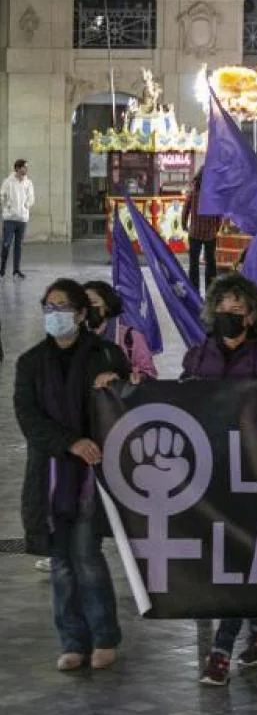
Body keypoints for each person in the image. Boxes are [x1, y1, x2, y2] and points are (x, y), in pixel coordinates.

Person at [16, 279, 132, 672]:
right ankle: (71, 639)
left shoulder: (107, 356)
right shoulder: (31, 363)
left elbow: (130, 403)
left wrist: (114, 386)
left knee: (85, 556)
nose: (55, 315)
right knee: (61, 561)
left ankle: (103, 635)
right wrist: (70, 443)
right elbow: (29, 419)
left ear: (82, 314)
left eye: (63, 307)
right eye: (48, 307)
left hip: (92, 477)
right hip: (50, 473)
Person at [187, 274, 257, 686]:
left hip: (253, 473)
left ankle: (220, 652)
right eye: (222, 310)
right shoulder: (197, 358)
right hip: (209, 473)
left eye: (237, 311)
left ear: (252, 317)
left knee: (238, 562)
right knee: (234, 560)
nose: (228, 317)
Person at [83, 281, 159, 379]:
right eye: (84, 304)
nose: (89, 308)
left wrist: (132, 376)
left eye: (93, 302)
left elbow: (149, 373)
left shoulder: (130, 337)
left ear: (108, 305)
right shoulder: (73, 336)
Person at [181, 169, 223, 293]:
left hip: (194, 233)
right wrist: (216, 228)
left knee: (193, 263)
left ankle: (194, 291)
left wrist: (184, 224)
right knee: (210, 263)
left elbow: (185, 210)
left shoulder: (193, 194)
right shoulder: (214, 195)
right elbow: (219, 215)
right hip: (210, 234)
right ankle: (210, 290)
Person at [1, 158, 35, 279]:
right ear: (17, 168)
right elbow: (2, 195)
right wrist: (7, 206)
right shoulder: (8, 181)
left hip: (22, 219)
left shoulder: (28, 182)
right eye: (24, 167)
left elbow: (31, 198)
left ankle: (16, 270)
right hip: (10, 218)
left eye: (26, 167)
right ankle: (2, 268)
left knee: (18, 246)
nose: (26, 169)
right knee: (6, 244)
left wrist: (26, 206)